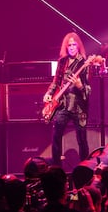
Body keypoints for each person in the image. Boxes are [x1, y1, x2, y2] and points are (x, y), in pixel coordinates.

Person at [42, 32, 99, 168]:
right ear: (66, 47)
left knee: (82, 139)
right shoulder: (62, 62)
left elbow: (89, 89)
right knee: (56, 135)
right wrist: (48, 93)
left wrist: (80, 86)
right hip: (62, 105)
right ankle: (56, 168)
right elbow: (56, 82)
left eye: (74, 45)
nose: (72, 47)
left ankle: (84, 168)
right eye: (69, 45)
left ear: (78, 46)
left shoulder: (85, 63)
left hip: (79, 107)